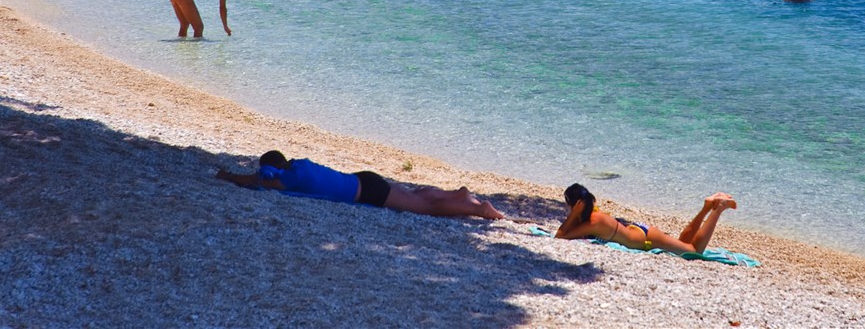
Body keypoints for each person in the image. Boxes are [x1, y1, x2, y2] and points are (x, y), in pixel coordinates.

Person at [216, 150, 505, 219]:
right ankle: (458, 195)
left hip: (368, 191)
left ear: (271, 168)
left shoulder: (287, 179)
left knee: (423, 207)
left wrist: (228, 177)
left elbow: (256, 181)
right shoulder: (300, 165)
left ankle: (478, 208)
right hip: (363, 180)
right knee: (415, 196)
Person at [556, 183, 735, 254]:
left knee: (694, 251)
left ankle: (718, 208)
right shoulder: (591, 214)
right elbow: (570, 231)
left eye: (568, 203)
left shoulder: (593, 222)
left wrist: (572, 214)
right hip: (641, 232)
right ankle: (706, 206)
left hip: (647, 239)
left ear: (575, 204)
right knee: (684, 244)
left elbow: (560, 236)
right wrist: (576, 214)